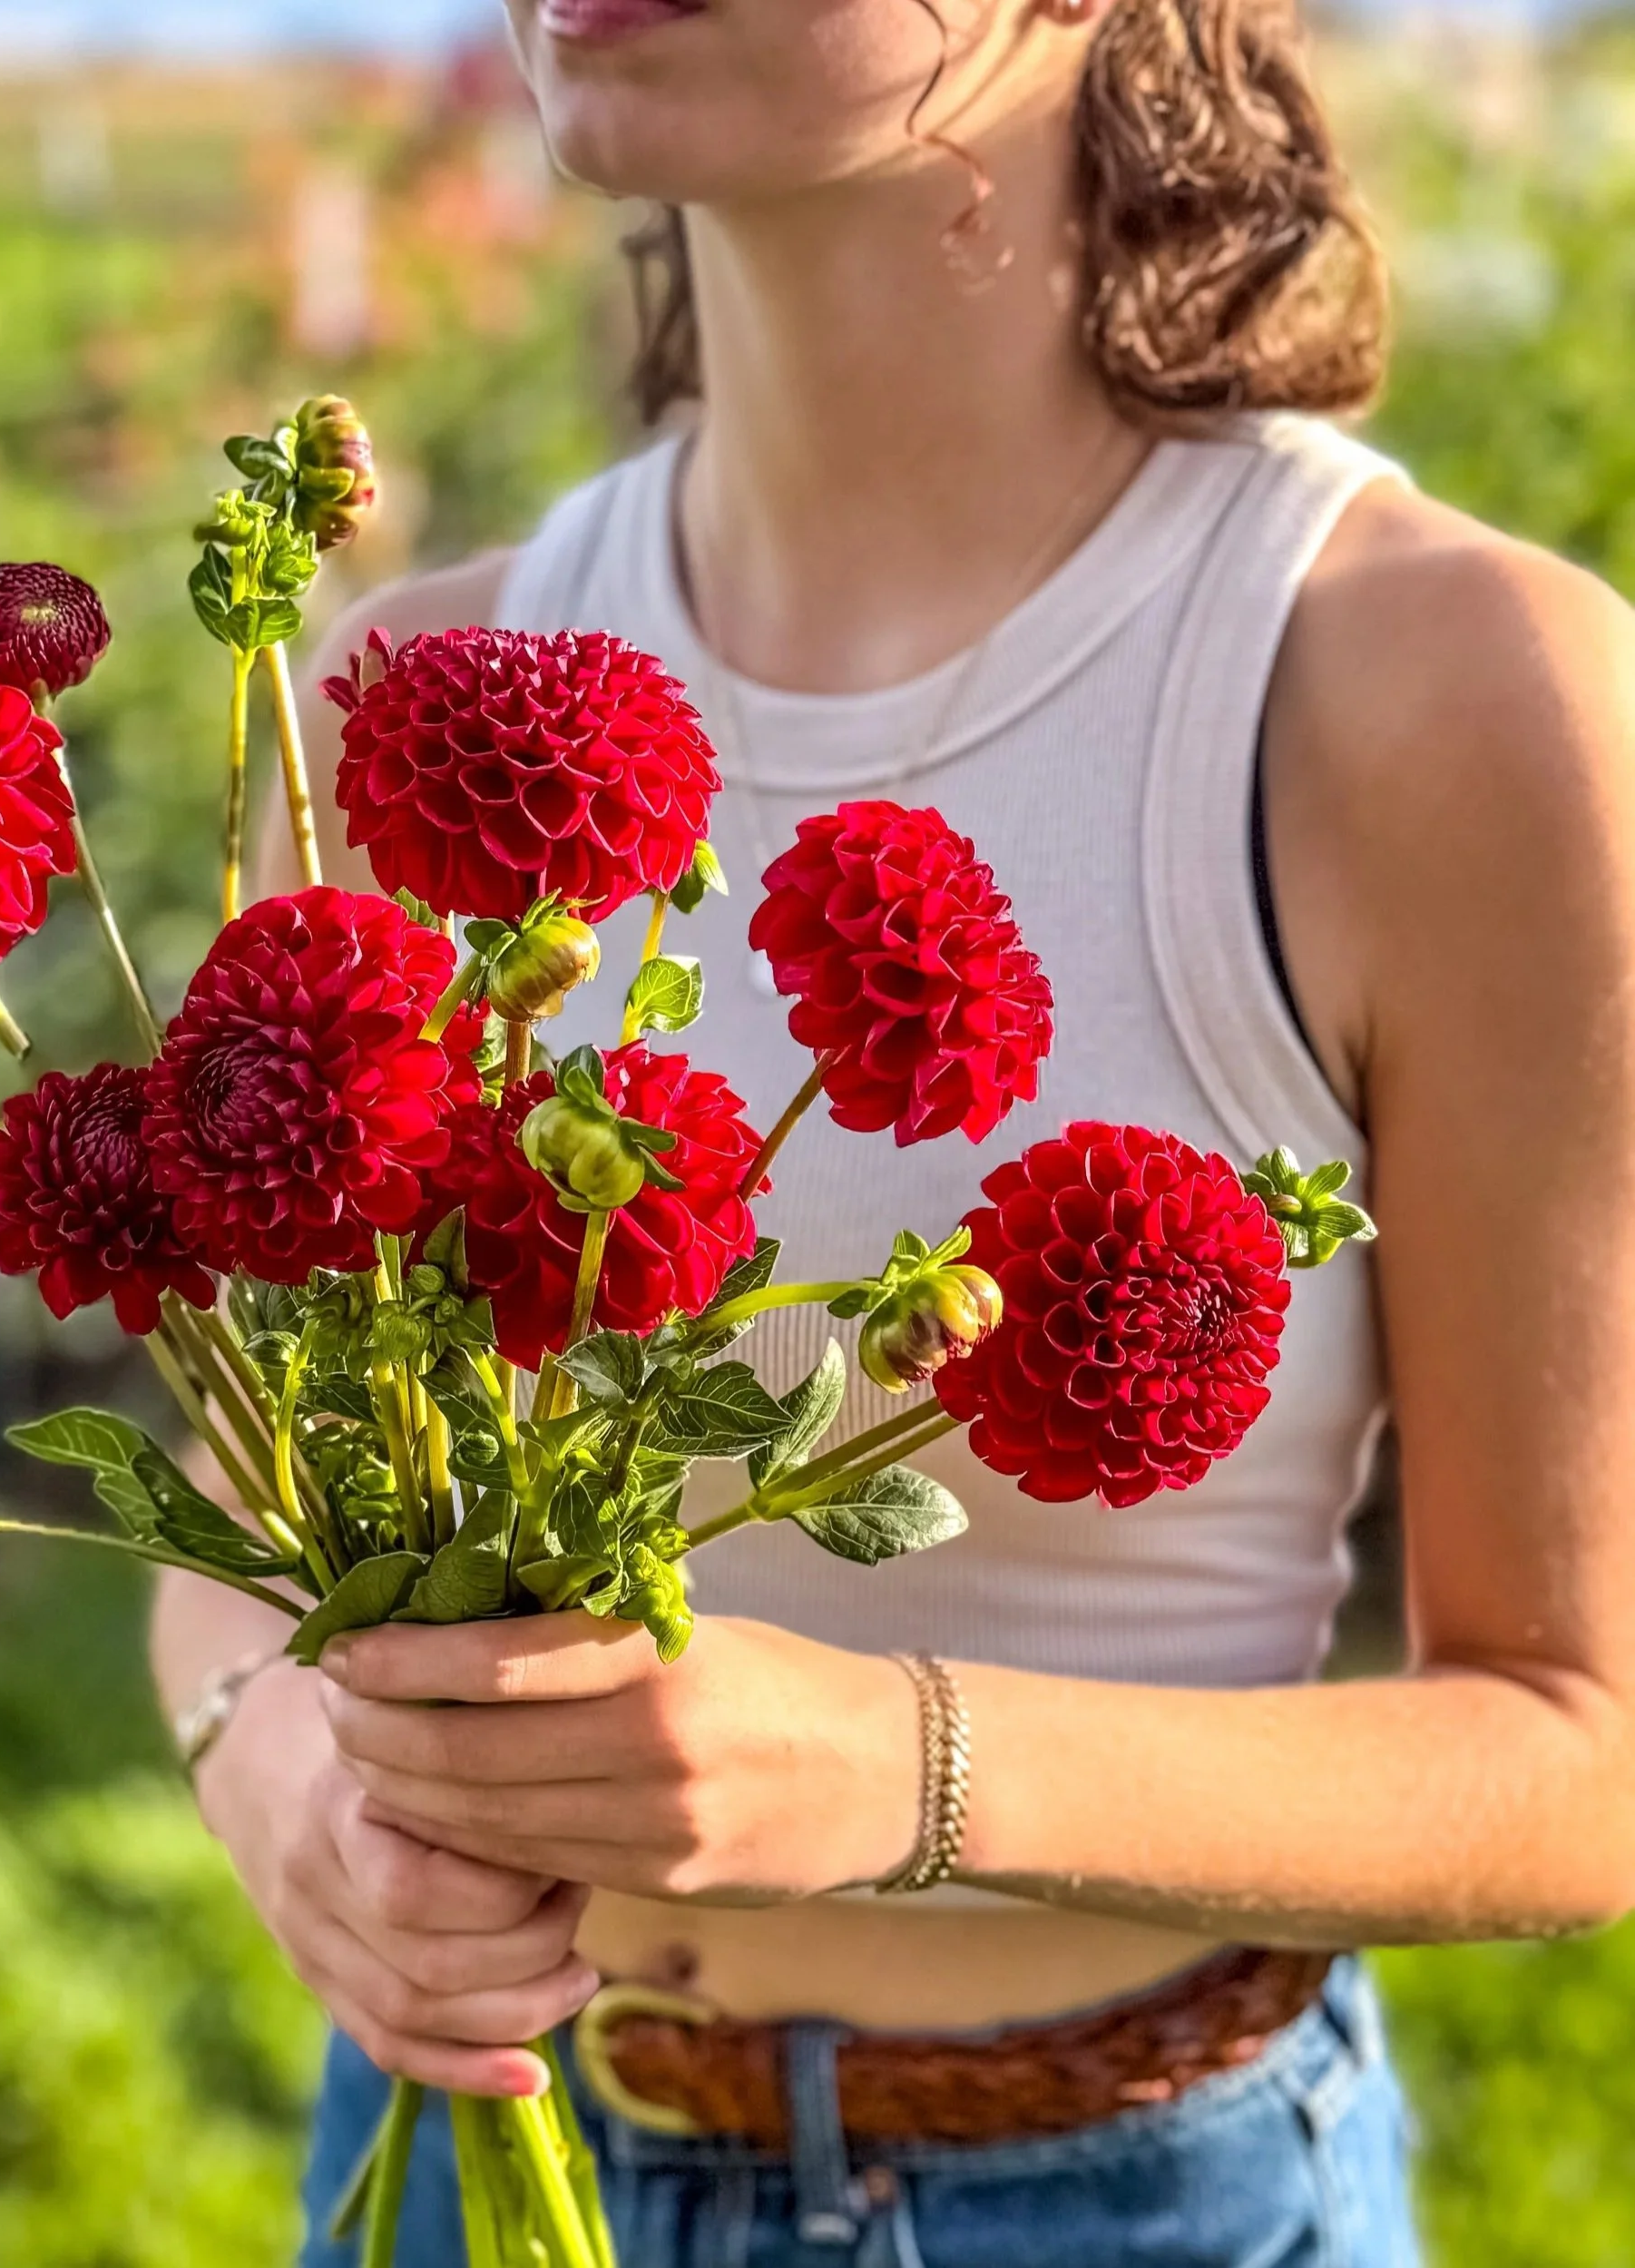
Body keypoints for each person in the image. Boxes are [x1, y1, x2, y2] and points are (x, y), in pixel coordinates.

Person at [152, 1, 1635, 2259]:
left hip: (1117, 2196)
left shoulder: (1439, 695)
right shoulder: (408, 693)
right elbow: (234, 1469)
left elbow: (1574, 1744)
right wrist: (278, 1787)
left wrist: (900, 1768)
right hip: (454, 2155)